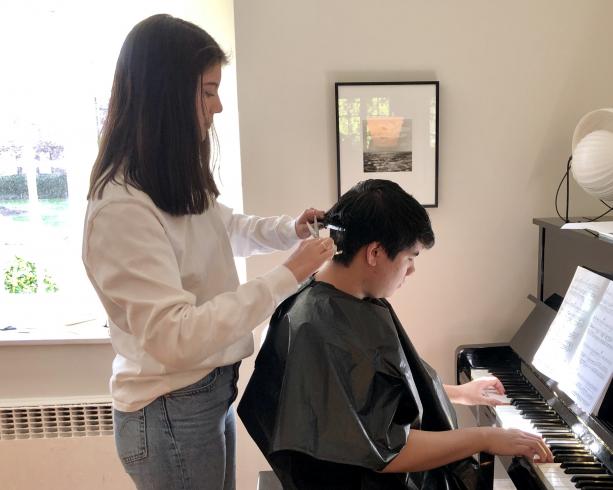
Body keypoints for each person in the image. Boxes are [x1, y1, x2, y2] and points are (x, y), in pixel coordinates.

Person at [81, 14, 335, 490]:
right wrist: (288, 275)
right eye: (207, 91)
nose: (217, 107)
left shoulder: (168, 180)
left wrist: (291, 231)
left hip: (208, 394)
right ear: (166, 97)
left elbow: (226, 229)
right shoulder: (122, 210)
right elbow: (175, 337)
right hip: (170, 408)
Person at [238, 179, 552, 490]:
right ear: (374, 252)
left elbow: (364, 395)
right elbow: (387, 450)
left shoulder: (342, 297)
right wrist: (484, 438)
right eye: (410, 258)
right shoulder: (319, 329)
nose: (411, 271)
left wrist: (459, 393)